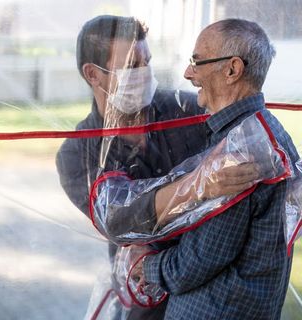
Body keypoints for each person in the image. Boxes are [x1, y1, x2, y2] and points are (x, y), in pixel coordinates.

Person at [56, 15, 259, 319]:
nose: (144, 73)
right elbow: (120, 217)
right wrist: (200, 184)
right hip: (146, 293)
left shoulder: (191, 112)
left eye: (147, 61)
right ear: (93, 74)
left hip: (214, 291)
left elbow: (253, 148)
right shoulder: (78, 153)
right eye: (131, 66)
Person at [135, 19, 300, 320]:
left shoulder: (242, 149)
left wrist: (144, 265)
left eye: (197, 62)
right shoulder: (255, 132)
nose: (188, 73)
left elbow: (195, 262)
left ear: (232, 70)